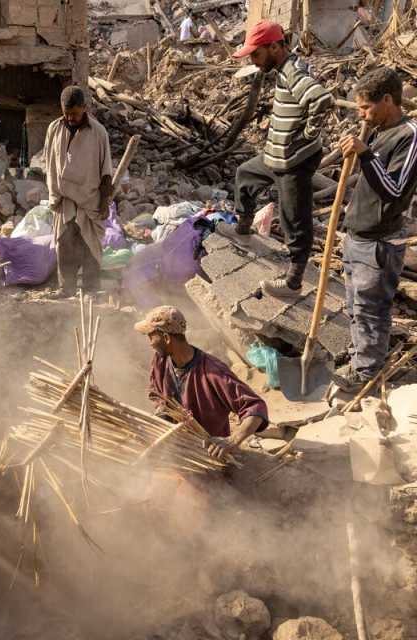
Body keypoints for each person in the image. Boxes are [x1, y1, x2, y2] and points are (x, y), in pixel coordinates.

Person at [228, 21, 333, 299]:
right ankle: (243, 225)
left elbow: (321, 99)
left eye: (256, 54)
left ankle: (293, 283)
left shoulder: (293, 71)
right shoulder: (284, 69)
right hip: (276, 155)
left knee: (294, 220)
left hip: (293, 162)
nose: (253, 61)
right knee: (245, 175)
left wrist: (309, 133)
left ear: (274, 46)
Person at [333, 68, 417, 393]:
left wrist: (366, 153)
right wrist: (358, 151)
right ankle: (358, 359)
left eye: (367, 108)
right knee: (354, 306)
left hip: (380, 243)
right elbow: (362, 176)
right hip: (357, 236)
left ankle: (366, 374)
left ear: (387, 100)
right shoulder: (379, 129)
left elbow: (394, 191)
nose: (363, 116)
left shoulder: (409, 136)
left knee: (370, 309)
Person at [135, 306, 268, 459]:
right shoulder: (161, 360)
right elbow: (156, 393)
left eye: (151, 336)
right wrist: (163, 414)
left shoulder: (213, 371)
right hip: (173, 449)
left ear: (166, 338)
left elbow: (255, 407)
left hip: (206, 455)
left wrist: (232, 441)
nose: (150, 342)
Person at [45, 86, 113, 298]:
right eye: (66, 113)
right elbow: (49, 164)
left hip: (89, 199)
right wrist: (53, 195)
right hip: (64, 199)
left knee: (89, 245)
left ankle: (91, 290)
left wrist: (104, 202)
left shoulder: (98, 132)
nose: (70, 118)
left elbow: (106, 172)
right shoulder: (54, 129)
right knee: (65, 243)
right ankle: (67, 288)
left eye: (74, 113)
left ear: (84, 108)